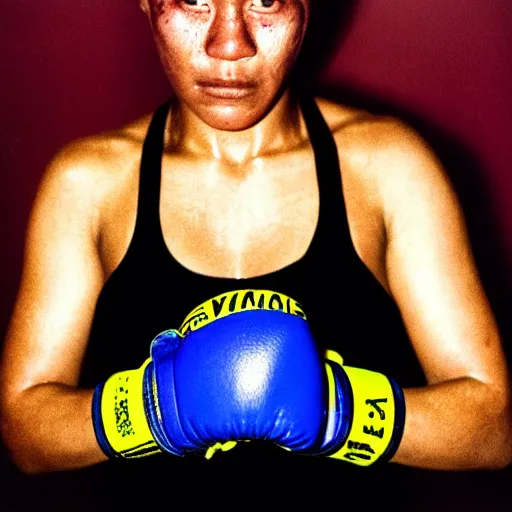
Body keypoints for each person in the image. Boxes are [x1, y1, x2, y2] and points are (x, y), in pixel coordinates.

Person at [1, 0, 511, 509]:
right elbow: (24, 431)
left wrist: (340, 409)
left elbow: (493, 431)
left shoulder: (389, 169)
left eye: (265, 1)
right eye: (195, 0)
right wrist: (159, 407)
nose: (229, 45)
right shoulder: (88, 184)